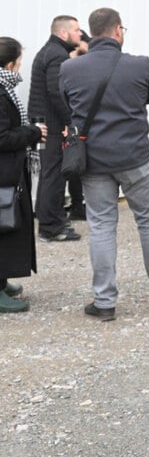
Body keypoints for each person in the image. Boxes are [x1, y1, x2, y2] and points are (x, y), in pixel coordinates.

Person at [61, 8, 149, 320]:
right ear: (117, 31)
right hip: (134, 157)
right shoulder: (138, 65)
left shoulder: (70, 69)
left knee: (101, 226)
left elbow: (68, 101)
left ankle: (104, 302)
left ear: (92, 32)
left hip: (94, 159)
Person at [0, 37, 46, 313]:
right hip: (3, 172)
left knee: (8, 225)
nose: (19, 69)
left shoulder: (4, 89)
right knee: (3, 225)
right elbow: (2, 136)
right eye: (18, 63)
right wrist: (33, 133)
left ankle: (3, 280)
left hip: (9, 171)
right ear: (9, 64)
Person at [28, 15, 83, 243]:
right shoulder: (57, 54)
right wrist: (70, 121)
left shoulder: (49, 51)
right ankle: (51, 228)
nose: (80, 35)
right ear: (63, 33)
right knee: (54, 175)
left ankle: (48, 220)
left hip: (45, 123)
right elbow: (55, 91)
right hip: (51, 126)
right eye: (77, 30)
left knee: (49, 174)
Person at [64, 30, 90, 222]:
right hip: (72, 122)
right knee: (74, 164)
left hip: (82, 122)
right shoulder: (68, 65)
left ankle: (78, 205)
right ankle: (76, 205)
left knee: (79, 165)